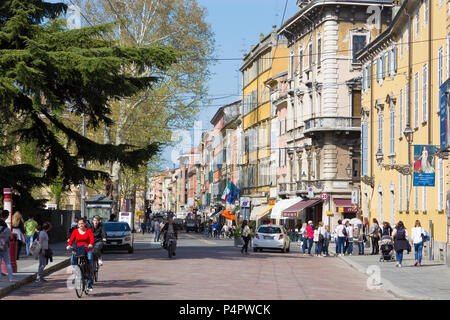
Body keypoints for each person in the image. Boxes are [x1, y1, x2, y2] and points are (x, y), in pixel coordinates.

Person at [67, 218, 95, 291]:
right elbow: (71, 240)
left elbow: (92, 240)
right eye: (79, 224)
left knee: (89, 261)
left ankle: (89, 283)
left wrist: (91, 244)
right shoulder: (75, 231)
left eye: (82, 223)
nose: (80, 225)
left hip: (87, 248)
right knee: (72, 260)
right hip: (78, 249)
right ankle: (77, 272)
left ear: (85, 224)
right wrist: (69, 245)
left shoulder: (89, 231)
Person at [0, 210, 15, 282]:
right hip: (5, 247)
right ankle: (11, 278)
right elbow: (11, 238)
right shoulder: (7, 229)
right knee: (8, 262)